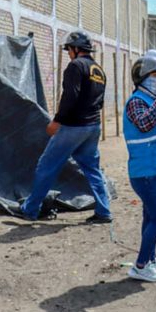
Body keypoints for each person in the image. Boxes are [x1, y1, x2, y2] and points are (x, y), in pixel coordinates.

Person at [20, 31, 112, 223]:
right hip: (93, 126)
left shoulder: (75, 66)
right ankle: (104, 212)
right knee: (92, 169)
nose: (69, 53)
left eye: (69, 49)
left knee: (46, 166)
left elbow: (70, 95)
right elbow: (100, 101)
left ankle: (30, 209)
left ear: (76, 49)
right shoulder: (98, 70)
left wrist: (57, 120)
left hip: (73, 127)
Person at [123, 51, 156, 282]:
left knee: (149, 217)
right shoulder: (136, 101)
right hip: (144, 172)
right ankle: (140, 265)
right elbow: (144, 124)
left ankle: (151, 259)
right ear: (144, 76)